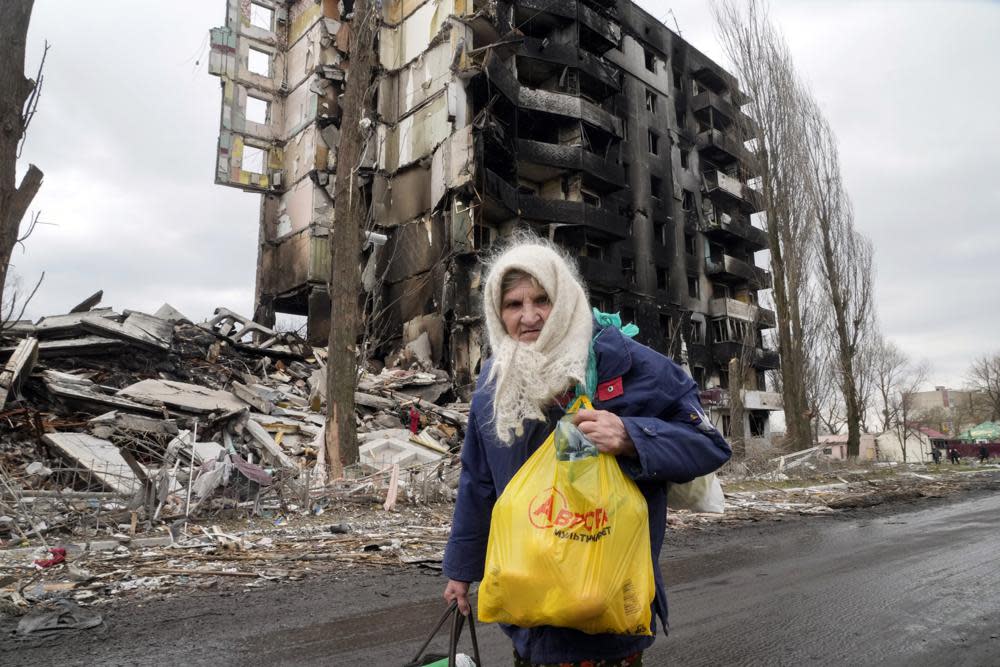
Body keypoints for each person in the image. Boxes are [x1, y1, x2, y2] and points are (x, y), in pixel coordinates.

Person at [442, 239, 732, 666]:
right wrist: (461, 571)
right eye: (513, 304)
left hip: (607, 614)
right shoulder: (495, 384)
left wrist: (631, 435)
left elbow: (709, 445)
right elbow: (479, 483)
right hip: (530, 615)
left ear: (565, 299)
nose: (529, 316)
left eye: (543, 300)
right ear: (496, 312)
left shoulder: (627, 363)